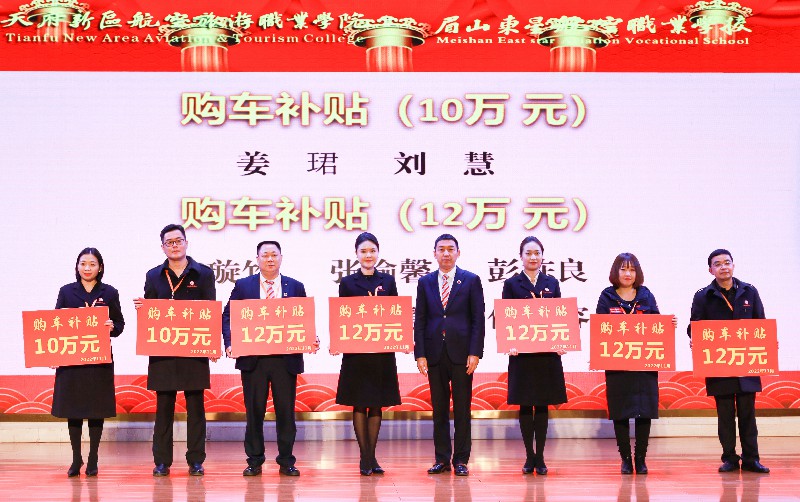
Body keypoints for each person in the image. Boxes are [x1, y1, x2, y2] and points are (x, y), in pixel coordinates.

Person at [222, 240, 315, 477]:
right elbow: (227, 316)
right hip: (253, 359)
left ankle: (286, 460)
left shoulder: (295, 286)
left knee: (286, 412)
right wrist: (230, 342)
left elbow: (303, 319)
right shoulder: (243, 286)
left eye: (274, 255)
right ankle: (254, 460)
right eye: (265, 255)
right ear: (257, 259)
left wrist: (310, 338)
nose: (270, 259)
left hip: (285, 360)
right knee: (254, 412)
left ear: (281, 258)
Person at [133, 224, 216, 477]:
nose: (175, 245)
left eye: (178, 241)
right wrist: (142, 308)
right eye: (169, 242)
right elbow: (150, 313)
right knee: (164, 407)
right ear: (163, 247)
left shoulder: (203, 273)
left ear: (186, 243)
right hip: (164, 350)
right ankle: (162, 461)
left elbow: (210, 310)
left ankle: (196, 460)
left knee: (196, 407)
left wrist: (212, 344)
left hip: (194, 349)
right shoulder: (154, 275)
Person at [688, 249, 769, 473]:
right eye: (718, 264)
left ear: (733, 266)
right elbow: (694, 326)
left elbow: (760, 323)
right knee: (725, 415)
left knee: (748, 414)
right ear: (710, 270)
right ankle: (730, 458)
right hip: (719, 364)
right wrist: (695, 339)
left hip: (746, 363)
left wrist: (768, 342)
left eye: (727, 263)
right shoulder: (703, 296)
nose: (723, 267)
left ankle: (751, 458)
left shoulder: (749, 291)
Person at [596, 253, 676, 475]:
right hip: (617, 364)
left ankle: (640, 459)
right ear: (616, 272)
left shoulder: (646, 295)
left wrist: (669, 324)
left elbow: (657, 324)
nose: (627, 273)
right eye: (623, 269)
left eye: (632, 269)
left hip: (644, 364)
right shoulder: (607, 296)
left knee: (644, 411)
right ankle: (625, 459)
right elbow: (600, 328)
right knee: (620, 412)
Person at [414, 234, 485, 477]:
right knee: (439, 409)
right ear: (434, 253)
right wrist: (420, 354)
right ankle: (442, 459)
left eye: (450, 249)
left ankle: (461, 460)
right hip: (434, 353)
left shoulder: (471, 280)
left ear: (458, 253)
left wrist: (475, 352)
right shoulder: (425, 282)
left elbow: (477, 320)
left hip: (462, 354)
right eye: (441, 249)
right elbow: (420, 320)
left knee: (463, 408)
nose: (446, 253)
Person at [334, 232, 402, 476]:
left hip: (381, 353)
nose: (368, 255)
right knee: (360, 403)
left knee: (376, 404)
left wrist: (403, 338)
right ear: (356, 254)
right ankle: (365, 458)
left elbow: (396, 314)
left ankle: (371, 457)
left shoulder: (388, 281)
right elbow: (342, 316)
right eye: (363, 251)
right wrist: (337, 341)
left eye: (372, 251)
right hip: (357, 353)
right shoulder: (347, 283)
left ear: (378, 253)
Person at [53, 248, 124, 477]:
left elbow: (120, 325)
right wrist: (52, 355)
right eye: (83, 263)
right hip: (72, 361)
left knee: (96, 409)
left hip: (98, 361)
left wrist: (112, 326)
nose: (87, 268)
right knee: (73, 410)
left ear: (100, 267)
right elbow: (55, 324)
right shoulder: (66, 292)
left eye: (92, 264)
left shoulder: (109, 292)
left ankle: (93, 457)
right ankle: (76, 458)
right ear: (77, 266)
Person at [501, 236, 567, 475]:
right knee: (525, 403)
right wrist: (509, 343)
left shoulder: (552, 283)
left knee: (542, 405)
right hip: (522, 355)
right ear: (521, 257)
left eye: (537, 253)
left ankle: (541, 456)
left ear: (542, 256)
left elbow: (560, 316)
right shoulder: (512, 284)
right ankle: (529, 455)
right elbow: (505, 318)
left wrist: (561, 341)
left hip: (546, 355)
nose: (533, 257)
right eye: (528, 253)